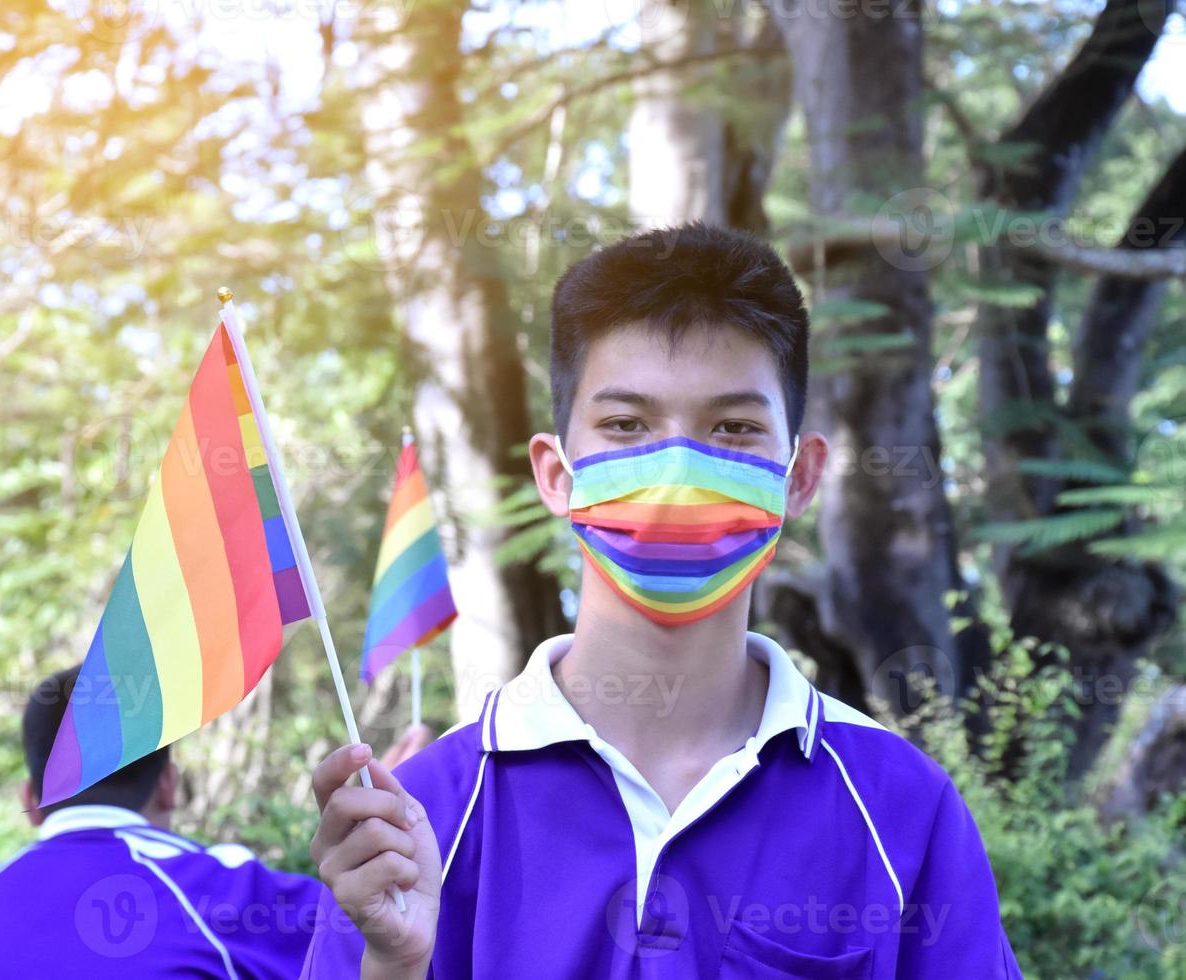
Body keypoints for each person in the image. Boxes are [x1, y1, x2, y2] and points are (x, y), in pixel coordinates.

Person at [301, 223, 1022, 978]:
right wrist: (394, 963)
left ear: (800, 477)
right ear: (555, 474)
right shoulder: (421, 814)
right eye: (626, 426)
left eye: (734, 429)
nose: (678, 468)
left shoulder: (902, 808)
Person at [0, 665, 428, 978]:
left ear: (31, 801)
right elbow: (379, 932)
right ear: (168, 785)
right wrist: (388, 805)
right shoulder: (224, 887)